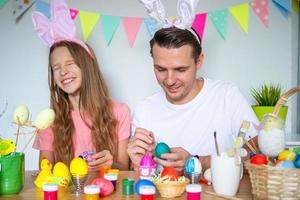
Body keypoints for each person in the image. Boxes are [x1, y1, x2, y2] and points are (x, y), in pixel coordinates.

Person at [127, 27, 259, 172]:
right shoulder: (144, 109)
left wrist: (198, 162)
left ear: (199, 61)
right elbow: (140, 181)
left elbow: (257, 150)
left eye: (180, 70)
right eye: (161, 69)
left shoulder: (226, 96)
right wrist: (140, 162)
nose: (170, 80)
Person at [32, 0, 130, 170]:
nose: (63, 72)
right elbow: (45, 173)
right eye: (56, 67)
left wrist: (110, 164)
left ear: (87, 67)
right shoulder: (49, 121)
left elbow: (125, 170)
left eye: (70, 63)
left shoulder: (120, 111)